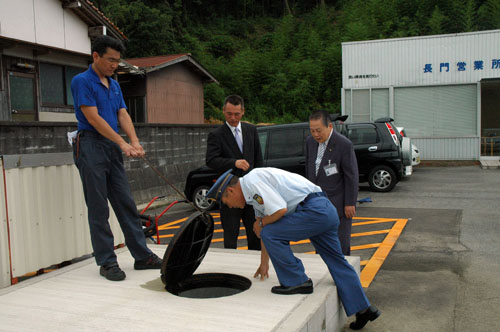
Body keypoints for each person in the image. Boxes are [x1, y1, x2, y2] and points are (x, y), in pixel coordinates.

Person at [206, 168, 380, 330]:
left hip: (313, 211)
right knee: (337, 261)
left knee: (270, 231)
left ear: (230, 191)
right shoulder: (253, 194)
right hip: (324, 210)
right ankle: (365, 309)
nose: (229, 206)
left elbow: (279, 211)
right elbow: (265, 230)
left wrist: (261, 223)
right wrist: (264, 263)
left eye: (226, 201)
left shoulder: (252, 183)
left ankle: (297, 281)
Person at [71, 35, 162, 281]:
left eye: (117, 61)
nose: (114, 65)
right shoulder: (82, 81)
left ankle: (142, 256)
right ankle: (107, 262)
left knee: (126, 203)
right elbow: (93, 118)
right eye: (110, 60)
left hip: (111, 146)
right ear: (96, 56)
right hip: (90, 145)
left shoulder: (114, 84)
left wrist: (134, 141)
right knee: (99, 208)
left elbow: (122, 114)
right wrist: (121, 142)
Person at [205, 95, 263, 250]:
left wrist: (260, 186)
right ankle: (230, 271)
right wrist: (233, 162)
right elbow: (210, 160)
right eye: (229, 114)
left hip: (252, 193)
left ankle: (255, 269)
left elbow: (259, 161)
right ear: (223, 111)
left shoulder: (251, 130)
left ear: (242, 112)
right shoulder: (216, 134)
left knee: (255, 234)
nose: (233, 118)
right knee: (230, 236)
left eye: (236, 114)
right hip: (229, 193)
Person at [305, 110, 359, 255]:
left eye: (318, 130)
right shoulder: (310, 142)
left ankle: (343, 276)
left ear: (329, 126)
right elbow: (309, 171)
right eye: (312, 131)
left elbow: (351, 176)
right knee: (320, 244)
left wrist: (350, 203)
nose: (315, 134)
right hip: (317, 204)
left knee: (340, 245)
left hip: (338, 204)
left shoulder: (343, 144)